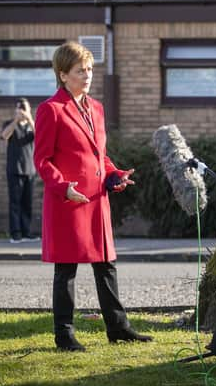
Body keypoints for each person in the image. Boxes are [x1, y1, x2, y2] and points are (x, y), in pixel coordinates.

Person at [34, 41, 152, 351]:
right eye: (79, 71)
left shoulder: (96, 108)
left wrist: (113, 174)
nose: (87, 75)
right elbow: (42, 161)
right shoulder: (51, 110)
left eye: (89, 69)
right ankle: (64, 335)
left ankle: (118, 328)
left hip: (97, 201)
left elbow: (98, 155)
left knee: (106, 264)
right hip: (68, 202)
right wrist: (64, 188)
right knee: (66, 270)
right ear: (62, 75)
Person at [1, 98, 38, 244]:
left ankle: (26, 232)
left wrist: (29, 119)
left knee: (27, 203)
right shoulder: (9, 125)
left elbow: (40, 135)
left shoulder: (31, 126)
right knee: (15, 203)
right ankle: (16, 233)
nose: (21, 110)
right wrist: (15, 121)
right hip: (14, 169)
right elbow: (4, 136)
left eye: (24, 108)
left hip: (30, 170)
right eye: (18, 108)